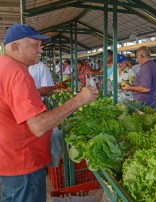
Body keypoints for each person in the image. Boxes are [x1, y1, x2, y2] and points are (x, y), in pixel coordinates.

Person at [0, 24, 98, 202]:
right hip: (23, 163)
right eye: (35, 45)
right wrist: (78, 100)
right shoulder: (17, 74)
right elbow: (38, 126)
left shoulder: (4, 66)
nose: (41, 50)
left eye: (40, 45)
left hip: (8, 158)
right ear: (15, 47)